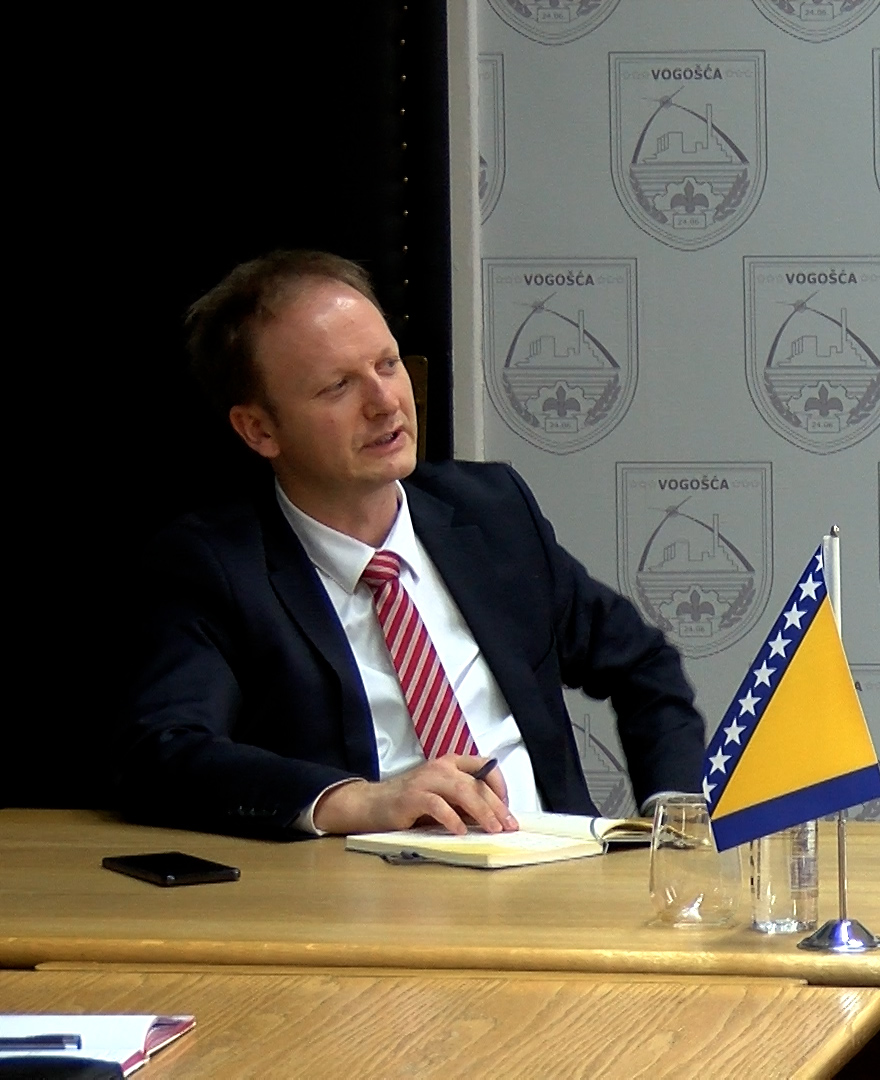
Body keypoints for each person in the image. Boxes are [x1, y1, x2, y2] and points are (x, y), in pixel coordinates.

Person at [117, 251, 704, 839]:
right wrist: (358, 801)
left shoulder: (491, 512)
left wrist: (676, 815)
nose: (385, 402)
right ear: (260, 429)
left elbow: (642, 663)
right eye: (338, 386)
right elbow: (165, 751)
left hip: (556, 865)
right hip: (378, 883)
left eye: (387, 364)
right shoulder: (213, 566)